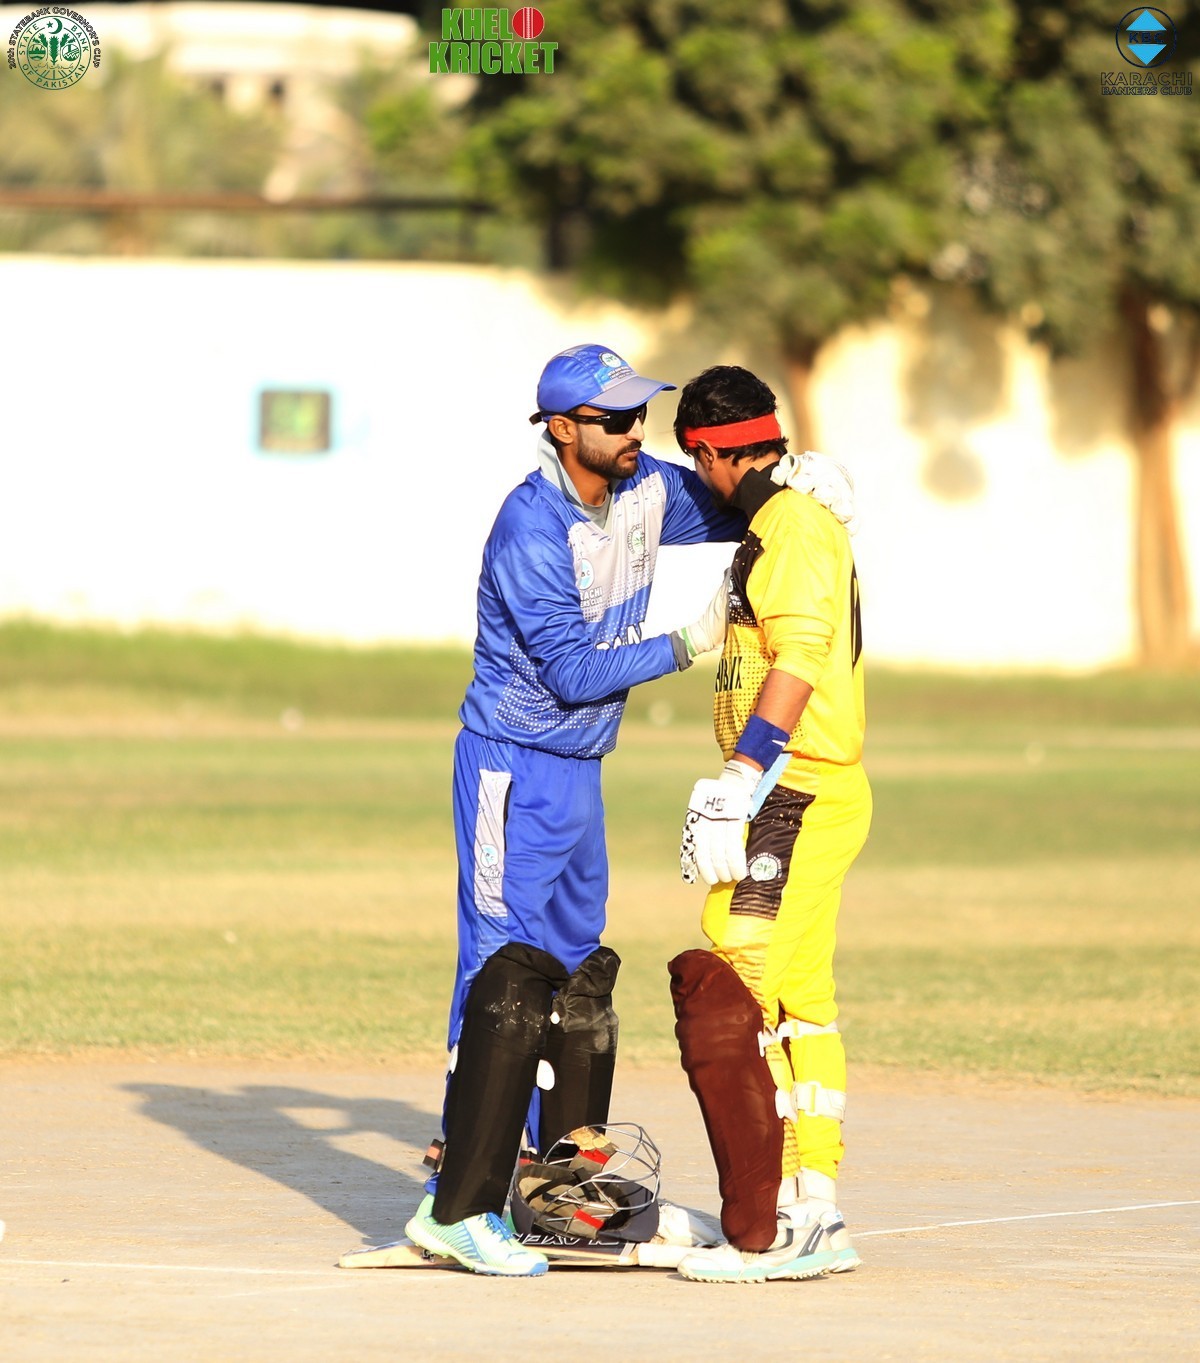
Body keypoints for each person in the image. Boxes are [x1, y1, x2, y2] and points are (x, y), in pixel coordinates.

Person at [404, 343, 745, 1276]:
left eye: (641, 414)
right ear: (563, 428)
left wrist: (797, 481)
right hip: (511, 765)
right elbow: (568, 670)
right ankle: (458, 1195)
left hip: (580, 771)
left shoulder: (645, 487)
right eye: (615, 419)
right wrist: (689, 641)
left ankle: (557, 1184)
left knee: (574, 968)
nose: (637, 432)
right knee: (500, 967)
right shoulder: (530, 524)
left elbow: (731, 499)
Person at [665, 364, 870, 1285]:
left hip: (793, 787)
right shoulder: (786, 515)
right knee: (796, 997)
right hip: (816, 784)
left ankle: (781, 1209)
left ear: (710, 452)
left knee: (734, 975)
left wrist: (742, 774)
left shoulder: (789, 523)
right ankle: (811, 1204)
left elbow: (799, 657)